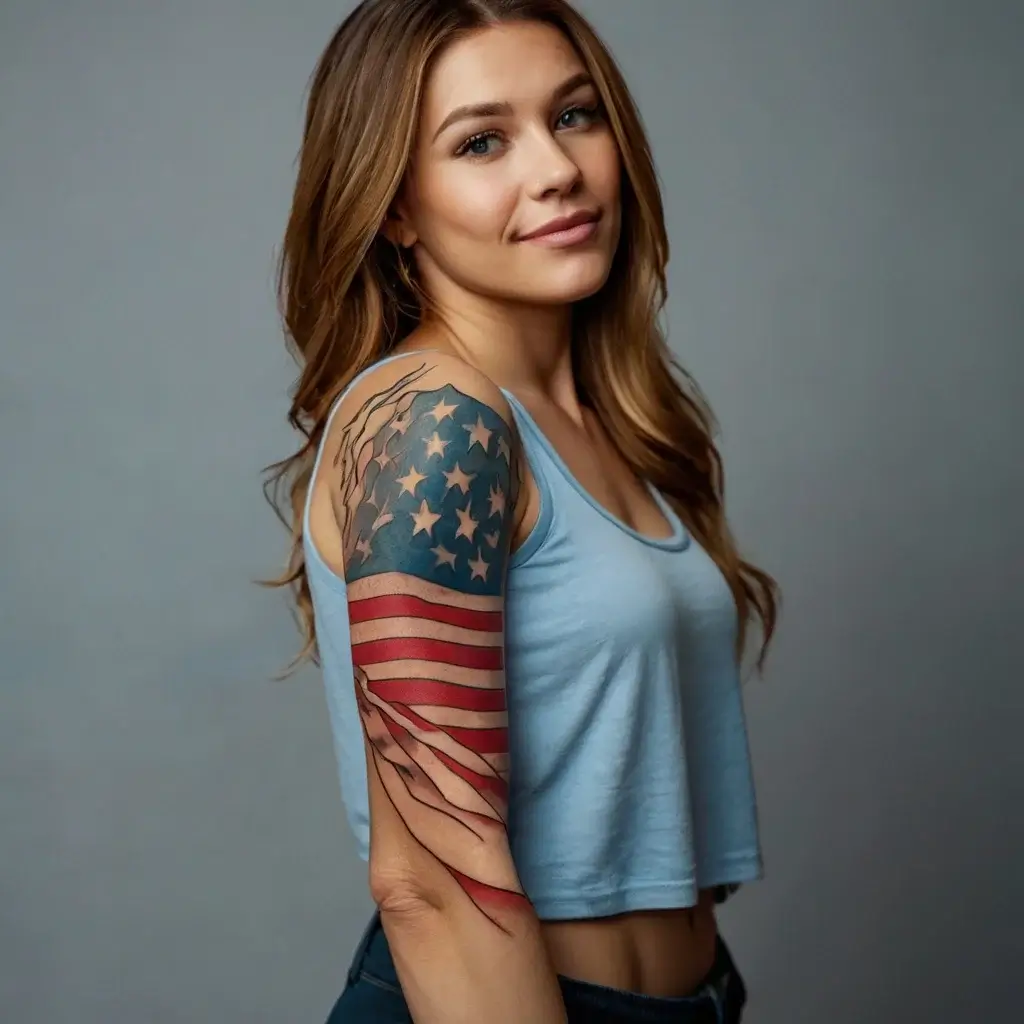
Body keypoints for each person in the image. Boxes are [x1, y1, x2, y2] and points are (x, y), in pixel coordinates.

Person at [266, 1, 778, 1020]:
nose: (554, 170)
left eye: (576, 116)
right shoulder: (435, 419)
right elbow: (430, 882)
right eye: (482, 140)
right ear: (395, 208)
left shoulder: (616, 419)